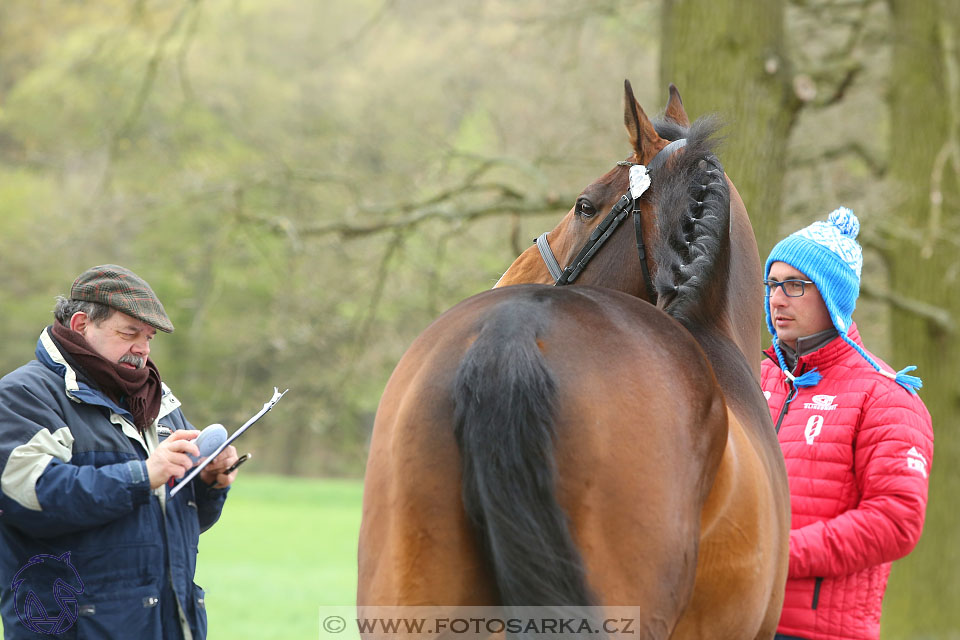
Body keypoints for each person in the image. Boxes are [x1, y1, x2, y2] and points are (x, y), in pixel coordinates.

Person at [0, 265, 241, 639]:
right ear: (81, 324)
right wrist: (142, 476)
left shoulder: (158, 401)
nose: (142, 349)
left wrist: (207, 485)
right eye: (130, 332)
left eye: (149, 337)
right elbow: (30, 497)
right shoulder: (23, 395)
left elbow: (174, 525)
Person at [761, 208, 934, 640]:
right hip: (731, 616)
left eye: (795, 285)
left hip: (817, 630)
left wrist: (781, 554)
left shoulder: (886, 396)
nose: (777, 299)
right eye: (772, 284)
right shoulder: (751, 377)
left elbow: (896, 521)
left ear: (833, 296)